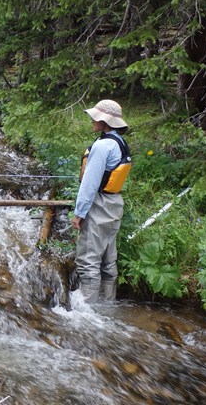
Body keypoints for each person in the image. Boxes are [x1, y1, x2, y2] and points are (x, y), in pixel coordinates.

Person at [71, 99, 131, 303]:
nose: (91, 121)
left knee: (88, 259)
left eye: (95, 117)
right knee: (108, 258)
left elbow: (90, 183)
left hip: (98, 205)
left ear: (106, 121)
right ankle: (107, 303)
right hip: (114, 205)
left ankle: (88, 311)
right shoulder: (119, 143)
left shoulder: (102, 146)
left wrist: (79, 214)